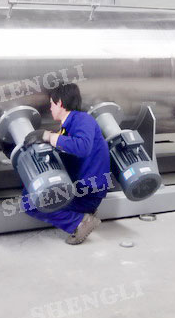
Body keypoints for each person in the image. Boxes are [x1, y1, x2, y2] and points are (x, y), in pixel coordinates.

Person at [20, 83, 112, 245]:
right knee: (30, 192)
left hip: (87, 192)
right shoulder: (68, 126)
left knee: (30, 203)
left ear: (60, 102)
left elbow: (82, 147)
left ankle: (80, 222)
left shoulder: (83, 119)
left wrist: (49, 136)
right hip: (81, 189)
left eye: (52, 104)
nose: (50, 108)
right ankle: (81, 215)